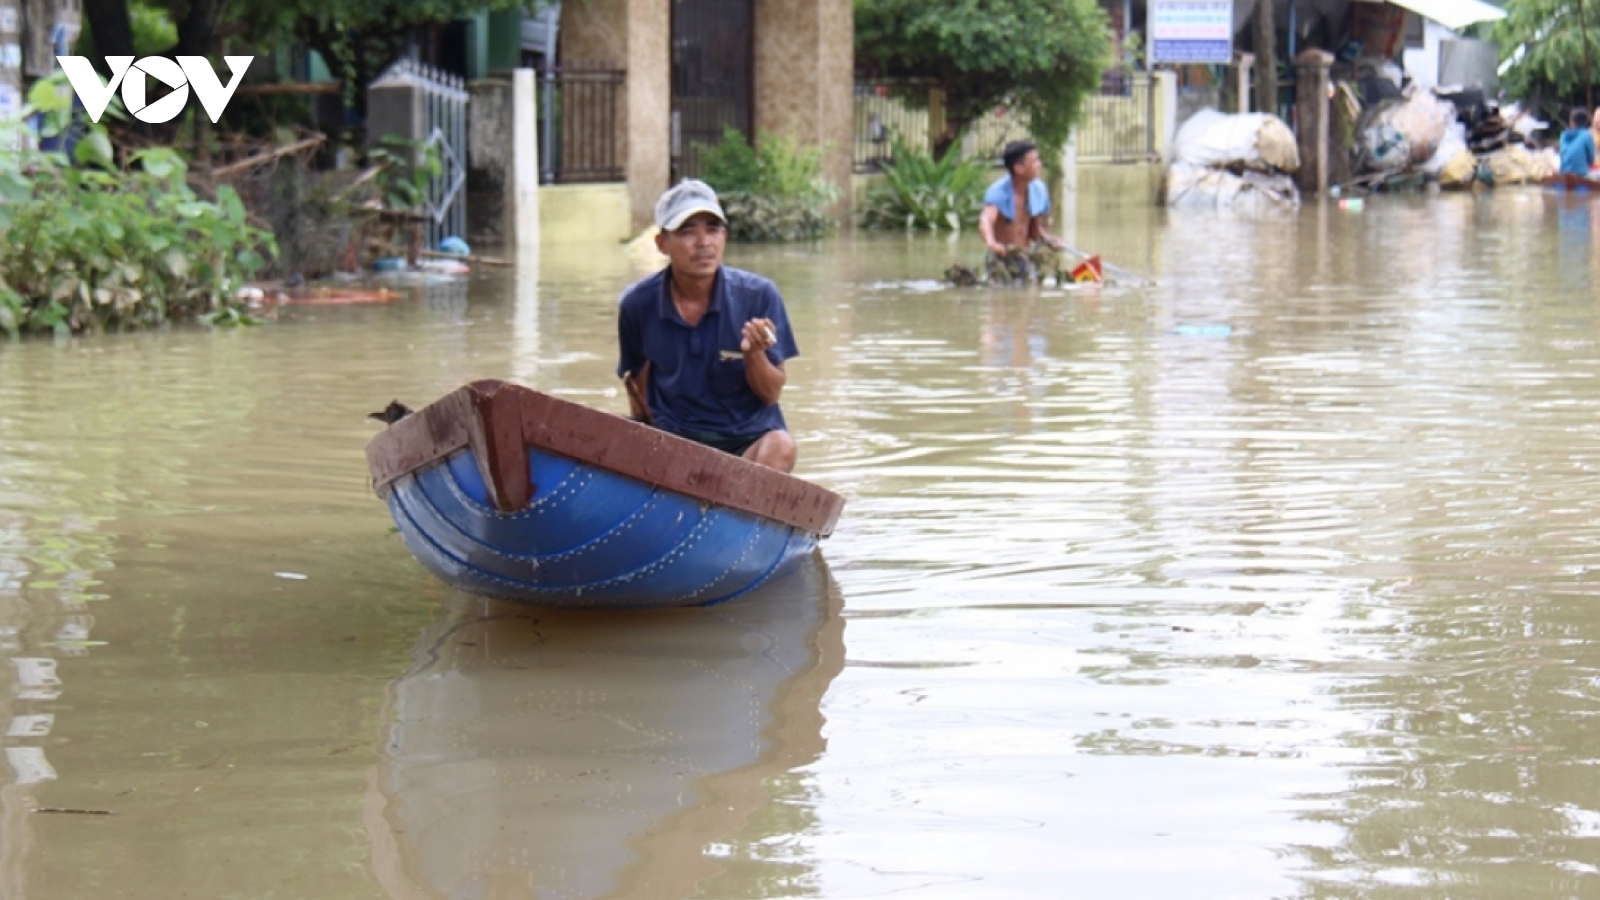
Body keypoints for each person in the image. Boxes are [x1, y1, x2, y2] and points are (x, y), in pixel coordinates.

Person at [617, 179, 800, 473]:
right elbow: (636, 387)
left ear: (724, 236)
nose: (704, 243)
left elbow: (771, 394)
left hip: (747, 441)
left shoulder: (758, 296)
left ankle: (736, 506)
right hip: (676, 444)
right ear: (662, 244)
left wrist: (754, 354)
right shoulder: (637, 304)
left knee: (782, 446)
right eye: (688, 231)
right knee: (613, 435)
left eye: (712, 229)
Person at [978, 140, 1066, 284]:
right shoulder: (998, 191)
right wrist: (991, 243)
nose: (1039, 165)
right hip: (1001, 259)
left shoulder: (1039, 190)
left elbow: (1035, 232)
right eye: (1034, 161)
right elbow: (985, 220)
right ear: (1019, 168)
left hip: (1025, 257)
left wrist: (1051, 241)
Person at [1559, 109, 1596, 177]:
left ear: (1572, 122)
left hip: (1563, 172)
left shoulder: (1563, 135)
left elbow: (1563, 153)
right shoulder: (1587, 135)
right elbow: (1591, 157)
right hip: (1580, 173)